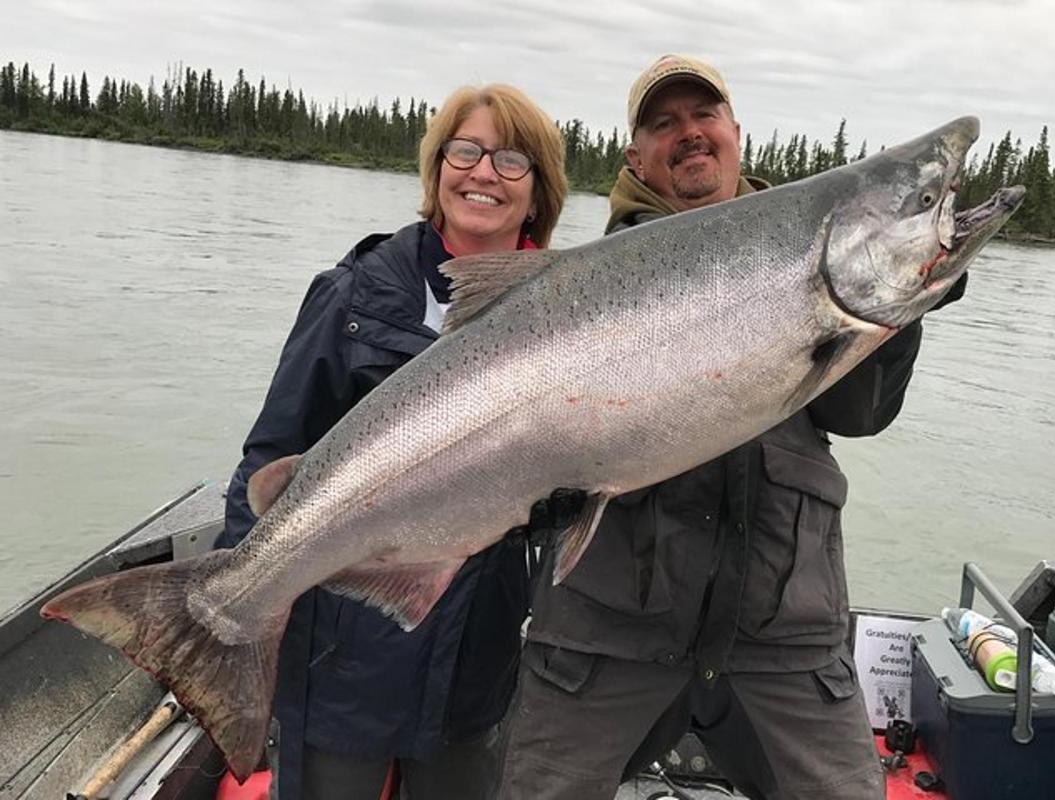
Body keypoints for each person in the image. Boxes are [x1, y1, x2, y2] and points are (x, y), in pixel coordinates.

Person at [501, 55, 965, 800]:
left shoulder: (822, 246)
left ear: (736, 134)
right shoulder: (582, 286)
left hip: (783, 630)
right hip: (606, 629)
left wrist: (900, 300)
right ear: (636, 156)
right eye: (664, 124)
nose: (688, 134)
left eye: (703, 116)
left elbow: (860, 415)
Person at [217, 83, 567, 800]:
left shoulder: (572, 316)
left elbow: (559, 497)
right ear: (436, 171)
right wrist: (237, 615)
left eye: (511, 160)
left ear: (538, 194)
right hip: (343, 661)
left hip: (476, 659)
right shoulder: (352, 296)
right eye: (464, 151)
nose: (483, 173)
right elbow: (271, 451)